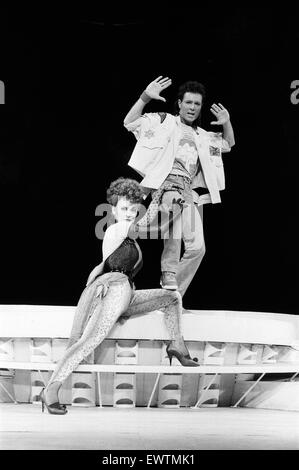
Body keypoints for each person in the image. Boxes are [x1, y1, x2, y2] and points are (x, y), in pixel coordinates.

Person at [40, 177, 199, 415]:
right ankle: (51, 389)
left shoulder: (129, 233)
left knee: (172, 297)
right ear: (113, 209)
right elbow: (154, 228)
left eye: (134, 209)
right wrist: (172, 206)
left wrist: (157, 196)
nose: (129, 213)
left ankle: (177, 346)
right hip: (114, 289)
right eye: (124, 208)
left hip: (127, 293)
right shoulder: (117, 228)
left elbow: (146, 224)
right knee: (89, 341)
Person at [123, 76, 235, 298]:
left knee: (197, 248)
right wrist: (145, 97)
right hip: (166, 183)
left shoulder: (203, 136)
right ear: (180, 103)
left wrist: (226, 122)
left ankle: (171, 297)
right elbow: (130, 122)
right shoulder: (164, 121)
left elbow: (228, 144)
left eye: (197, 104)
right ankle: (168, 270)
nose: (192, 107)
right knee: (175, 205)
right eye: (189, 102)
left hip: (188, 190)